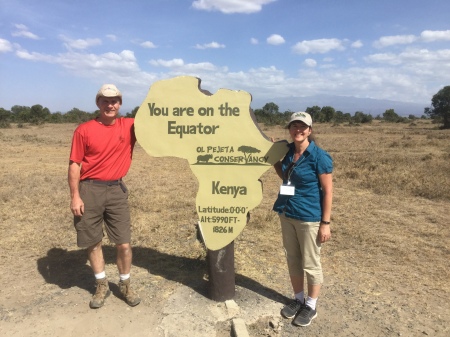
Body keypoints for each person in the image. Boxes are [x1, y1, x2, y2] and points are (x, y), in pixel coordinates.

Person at [68, 84, 141, 309]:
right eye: (106, 101)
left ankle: (125, 284)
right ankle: (101, 284)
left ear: (120, 103)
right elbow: (75, 164)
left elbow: (160, 124)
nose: (110, 105)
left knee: (124, 243)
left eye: (115, 100)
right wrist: (75, 196)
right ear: (98, 103)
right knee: (93, 241)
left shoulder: (130, 126)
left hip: (116, 189)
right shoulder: (84, 130)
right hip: (90, 189)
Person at [273, 111, 333, 327]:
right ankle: (298, 299)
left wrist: (325, 223)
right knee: (293, 259)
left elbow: (327, 191)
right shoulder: (288, 151)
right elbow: (285, 176)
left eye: (302, 127)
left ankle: (311, 305)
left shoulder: (319, 156)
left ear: (310, 130)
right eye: (294, 126)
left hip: (309, 217)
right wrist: (274, 159)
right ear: (289, 129)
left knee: (311, 262)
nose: (298, 130)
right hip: (287, 213)